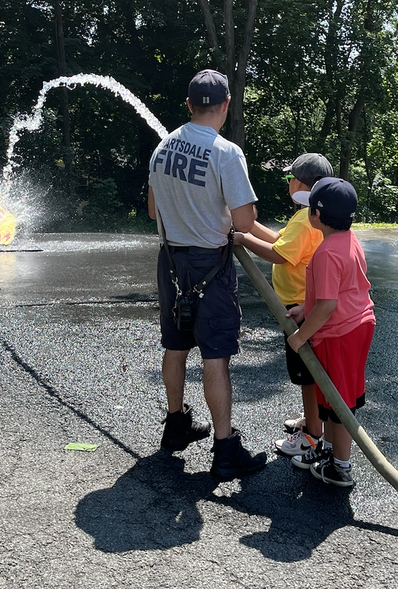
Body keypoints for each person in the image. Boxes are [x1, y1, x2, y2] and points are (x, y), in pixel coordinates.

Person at [148, 69, 267, 481]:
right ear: (226, 105)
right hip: (209, 267)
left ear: (188, 104)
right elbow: (245, 221)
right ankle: (224, 449)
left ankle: (176, 424)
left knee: (175, 346)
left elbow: (153, 211)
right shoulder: (225, 152)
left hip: (170, 261)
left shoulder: (162, 148)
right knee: (215, 356)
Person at [232, 153, 334, 458]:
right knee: (312, 371)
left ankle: (311, 436)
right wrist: (251, 228)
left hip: (298, 308)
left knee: (306, 374)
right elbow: (280, 240)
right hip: (305, 304)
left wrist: (242, 239)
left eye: (291, 177)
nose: (288, 182)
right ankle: (314, 420)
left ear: (302, 183)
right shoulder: (309, 214)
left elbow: (278, 254)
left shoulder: (304, 220)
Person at [286, 177, 375, 487]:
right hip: (357, 325)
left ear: (317, 215)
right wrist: (304, 309)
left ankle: (340, 467)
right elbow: (341, 292)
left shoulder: (325, 253)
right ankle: (326, 452)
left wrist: (300, 336)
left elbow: (327, 305)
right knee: (333, 395)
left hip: (339, 333)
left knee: (339, 404)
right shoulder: (350, 241)